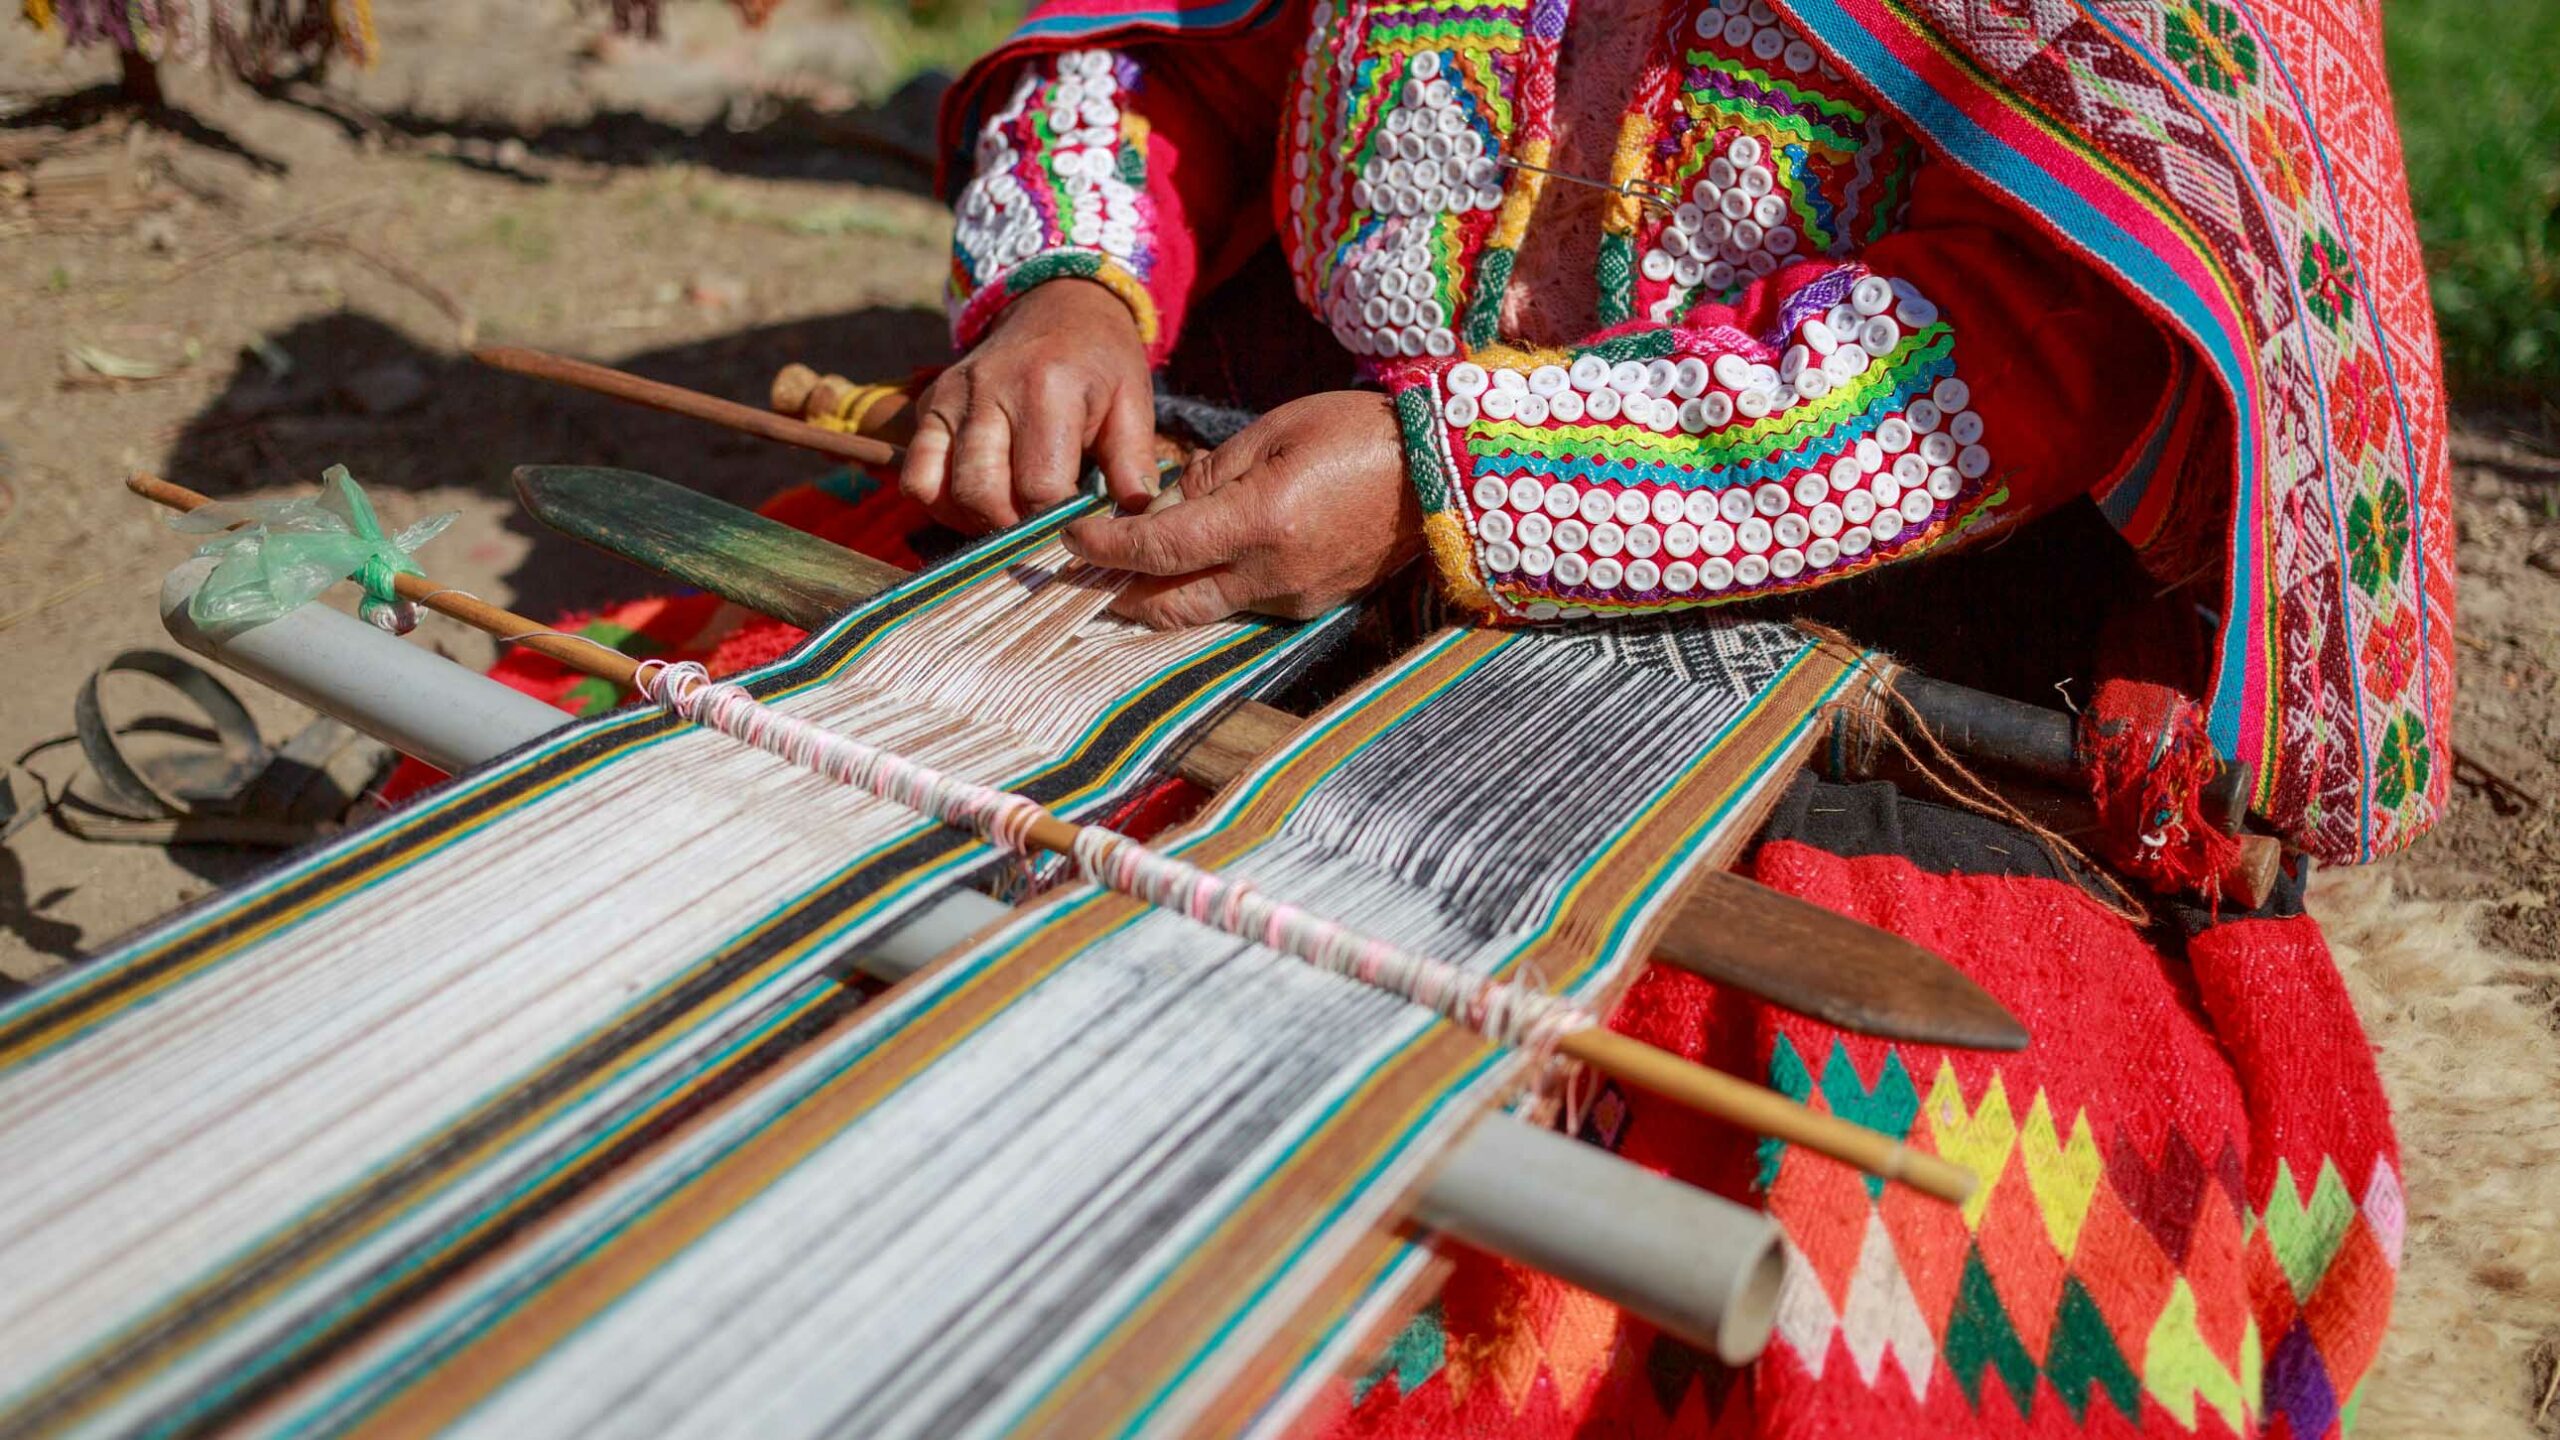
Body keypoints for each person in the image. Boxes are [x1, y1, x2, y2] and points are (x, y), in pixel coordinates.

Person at [883, 1, 2448, 1435]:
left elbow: (2040, 329)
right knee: (845, 872)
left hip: (1848, 618)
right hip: (1299, 522)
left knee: (1940, 1268)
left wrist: (1462, 482)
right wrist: (1072, 290)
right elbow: (1180, 50)